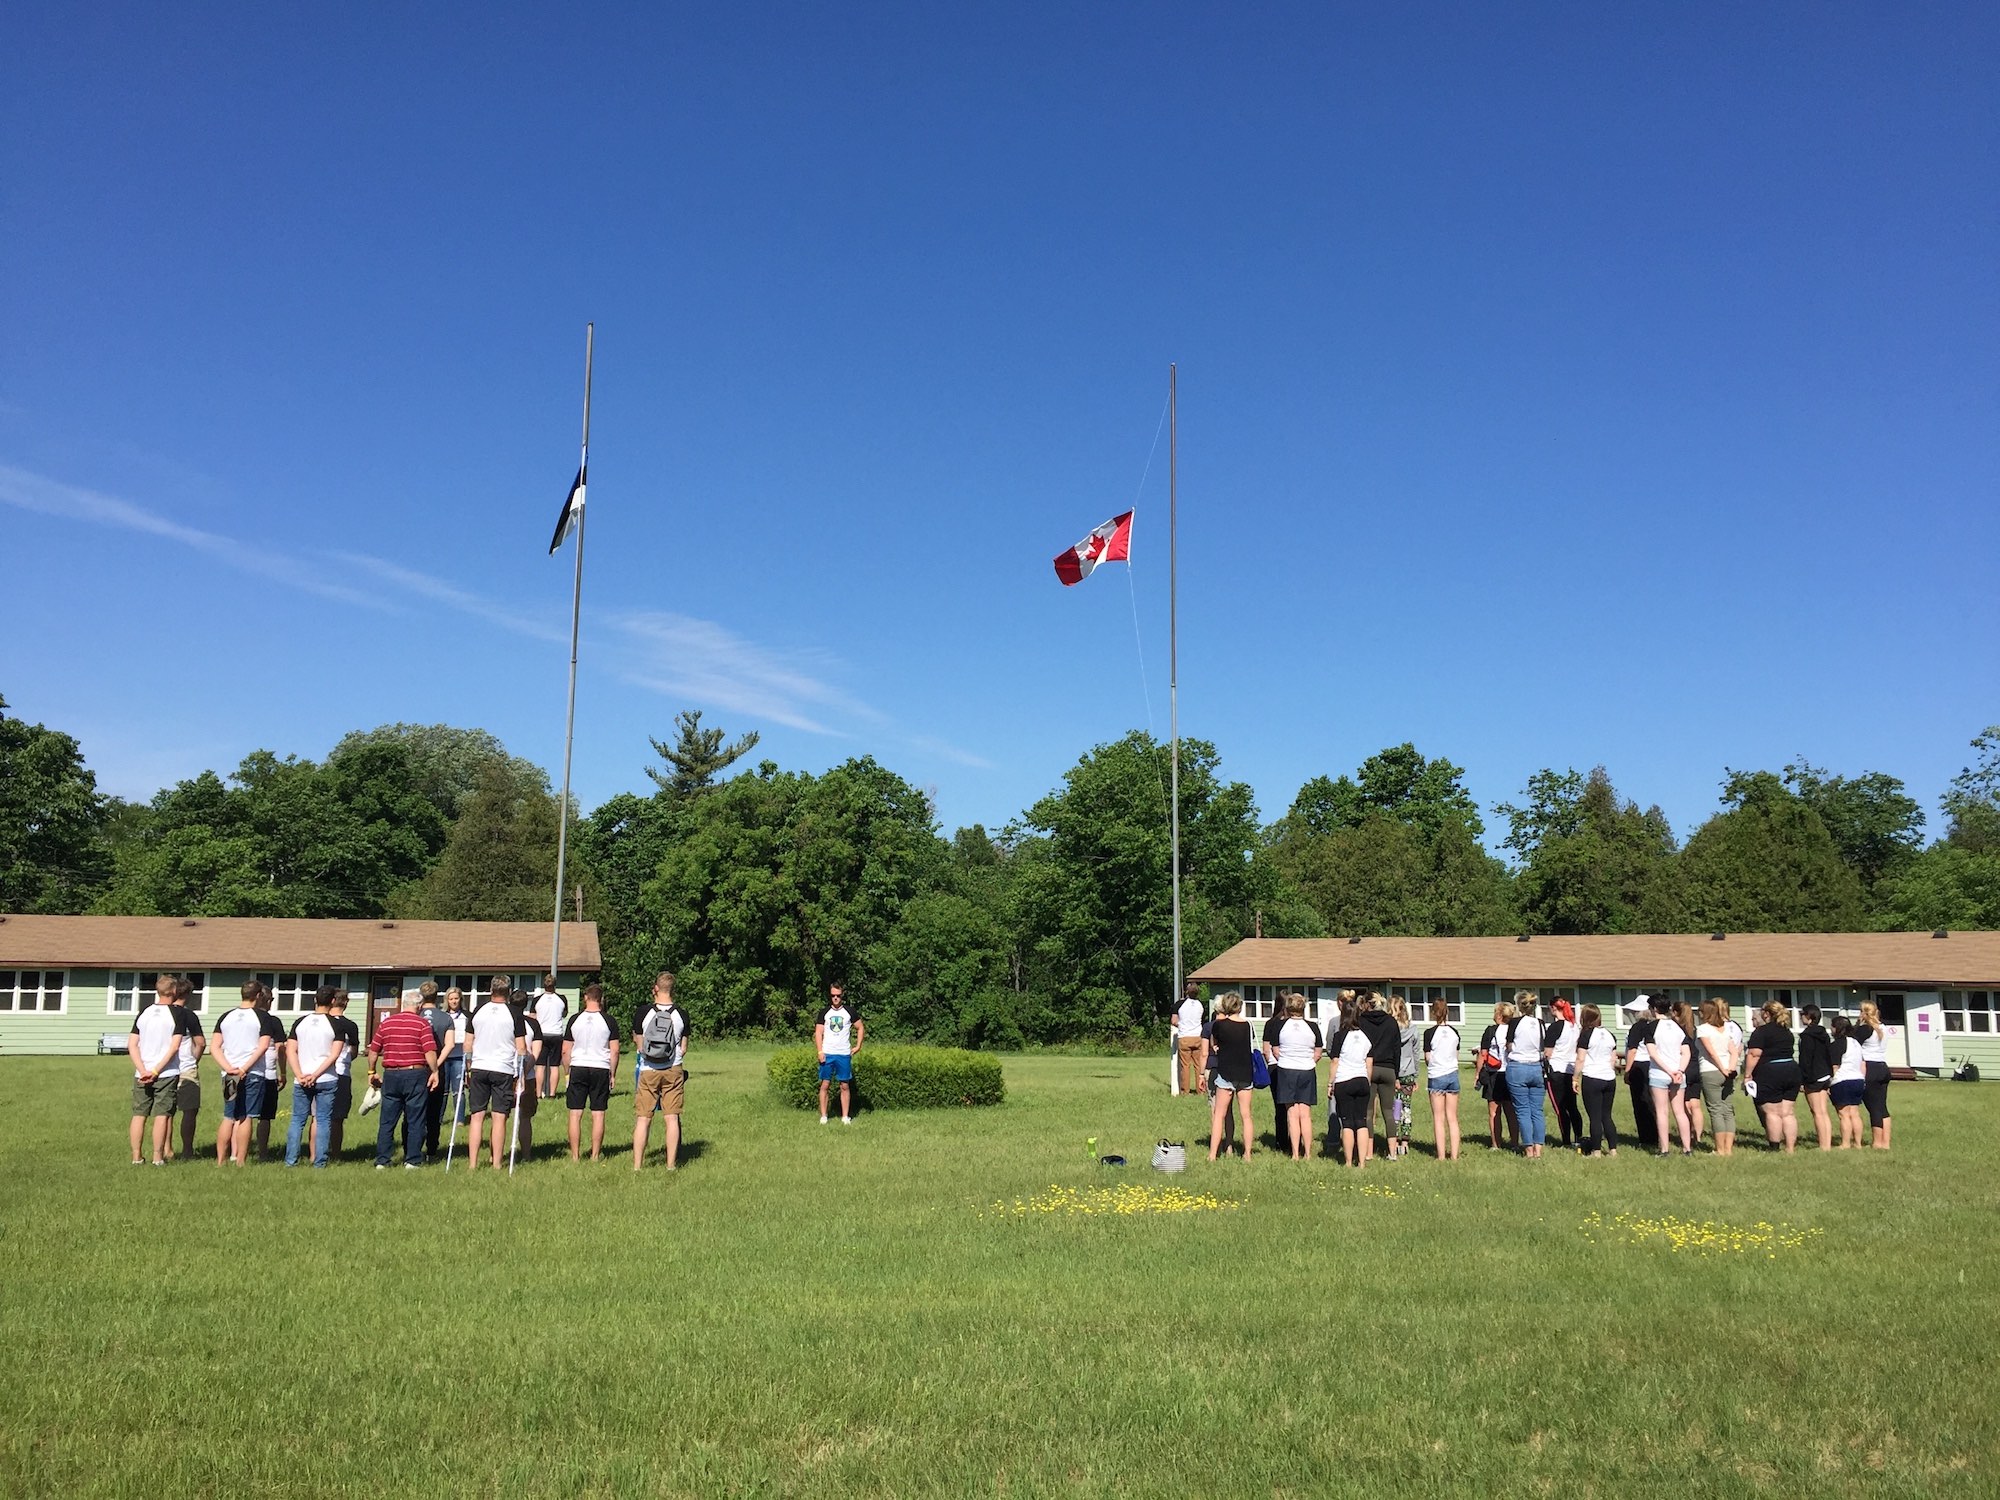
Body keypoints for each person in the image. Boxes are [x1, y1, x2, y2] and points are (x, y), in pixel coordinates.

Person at [368, 989, 441, 1169]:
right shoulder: (422, 1024)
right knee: (415, 1119)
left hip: (391, 1074)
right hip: (414, 1073)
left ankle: (382, 1160)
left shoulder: (387, 1023)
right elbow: (429, 1051)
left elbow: (374, 1050)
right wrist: (435, 1071)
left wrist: (371, 1071)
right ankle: (412, 1159)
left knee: (387, 1120)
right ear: (419, 1006)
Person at [462, 981, 527, 1171]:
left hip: (480, 1067)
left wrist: (468, 1067)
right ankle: (497, 1163)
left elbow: (467, 1044)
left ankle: (473, 1164)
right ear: (508, 991)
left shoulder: (478, 1010)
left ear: (491, 990)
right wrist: (520, 1073)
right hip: (503, 1069)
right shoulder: (514, 1013)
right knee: (499, 1117)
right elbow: (521, 1047)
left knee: (477, 1116)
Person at [127, 978, 191, 1165]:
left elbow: (132, 1044)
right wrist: (155, 1071)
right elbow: (174, 1046)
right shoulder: (178, 1013)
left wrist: (143, 1070)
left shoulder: (144, 1012)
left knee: (139, 1114)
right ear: (173, 991)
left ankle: (136, 1156)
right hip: (165, 1072)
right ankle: (157, 1156)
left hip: (142, 1073)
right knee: (162, 1115)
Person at [212, 981, 275, 1167]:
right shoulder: (263, 1017)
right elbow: (263, 1046)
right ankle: (240, 1160)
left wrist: (229, 1067)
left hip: (229, 1072)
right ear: (258, 996)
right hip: (252, 1072)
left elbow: (214, 1047)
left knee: (228, 1116)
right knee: (246, 1116)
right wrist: (244, 1068)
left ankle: (220, 1160)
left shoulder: (226, 1016)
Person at [633, 971, 689, 1169]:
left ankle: (638, 1166)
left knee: (643, 1118)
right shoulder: (681, 1014)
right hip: (673, 1069)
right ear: (672, 989)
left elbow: (639, 1045)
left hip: (648, 1069)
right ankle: (671, 1164)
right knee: (671, 1117)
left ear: (656, 988)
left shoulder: (643, 1012)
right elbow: (683, 1048)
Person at [283, 985, 343, 1168]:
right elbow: (334, 1055)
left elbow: (290, 1050)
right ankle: (320, 1161)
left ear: (315, 1000)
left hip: (301, 1078)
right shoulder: (336, 1024)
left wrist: (299, 1074)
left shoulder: (300, 1022)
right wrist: (316, 1074)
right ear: (333, 1001)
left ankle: (290, 1160)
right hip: (326, 1078)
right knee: (323, 1119)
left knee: (297, 1120)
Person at [562, 983, 621, 1162]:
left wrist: (567, 1072)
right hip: (600, 1067)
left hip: (578, 1066)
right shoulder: (609, 1021)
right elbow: (615, 1051)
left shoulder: (574, 1019)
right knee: (598, 1113)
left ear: (585, 998)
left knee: (575, 1113)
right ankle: (595, 1155)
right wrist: (612, 1073)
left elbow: (565, 1050)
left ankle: (575, 1155)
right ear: (601, 1000)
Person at [1269, 993, 1323, 1161]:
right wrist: (1308, 1061)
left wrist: (1287, 1059)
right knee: (1305, 1114)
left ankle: (1294, 1154)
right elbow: (1319, 1052)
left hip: (1286, 1070)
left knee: (1292, 1114)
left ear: (1288, 1007)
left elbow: (1275, 1050)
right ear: (1303, 1008)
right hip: (1307, 1070)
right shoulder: (1313, 1027)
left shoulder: (1279, 1026)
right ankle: (1307, 1153)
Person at [1743, 1000, 1801, 1153]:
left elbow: (1754, 1054)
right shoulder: (1786, 1031)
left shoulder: (1761, 1032)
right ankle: (1790, 1148)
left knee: (1772, 1111)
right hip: (1792, 1069)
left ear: (1767, 1014)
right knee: (1788, 1112)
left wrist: (1747, 1075)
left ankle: (1774, 1147)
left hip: (1771, 1071)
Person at [1205, 992, 1256, 1161]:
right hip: (1245, 1073)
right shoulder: (1247, 1025)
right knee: (1246, 1115)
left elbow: (1214, 1044)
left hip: (1226, 1072)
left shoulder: (1219, 1025)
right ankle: (1247, 1154)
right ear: (1240, 1006)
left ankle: (1213, 1154)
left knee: (1219, 1114)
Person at [1326, 997, 1372, 1168]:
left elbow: (1335, 1062)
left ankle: (1347, 1162)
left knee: (1347, 1122)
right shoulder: (1366, 1037)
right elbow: (1369, 1063)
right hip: (1362, 1080)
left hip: (1344, 1081)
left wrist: (1330, 1083)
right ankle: (1361, 1162)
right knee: (1361, 1121)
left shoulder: (1340, 1036)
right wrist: (1367, 1081)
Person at [1645, 994, 1693, 1156]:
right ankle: (1687, 1148)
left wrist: (1668, 1071)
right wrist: (1679, 1071)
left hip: (1660, 1073)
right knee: (1680, 1112)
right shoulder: (1677, 1027)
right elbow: (1686, 1053)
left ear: (1654, 1009)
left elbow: (1653, 1054)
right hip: (1679, 1074)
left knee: (1662, 1112)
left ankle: (1665, 1149)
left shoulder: (1651, 1027)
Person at [1504, 991, 1548, 1159]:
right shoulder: (1540, 1023)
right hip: (1537, 1067)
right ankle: (1538, 1149)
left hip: (1518, 1067)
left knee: (1522, 1110)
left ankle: (1528, 1149)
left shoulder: (1514, 1023)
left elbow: (1509, 1046)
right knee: (1537, 1110)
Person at [165, 976, 206, 1161]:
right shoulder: (189, 1015)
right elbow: (201, 1043)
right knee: (189, 1110)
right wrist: (194, 1060)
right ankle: (187, 1150)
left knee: (165, 1111)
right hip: (185, 1066)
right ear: (187, 994)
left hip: (163, 1067)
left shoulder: (161, 1013)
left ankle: (166, 1149)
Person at [1357, 992, 1401, 1156]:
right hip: (1388, 1068)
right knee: (1388, 1112)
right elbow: (1397, 1049)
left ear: (1367, 1004)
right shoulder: (1391, 1022)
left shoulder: (1361, 1021)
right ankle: (1392, 1152)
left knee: (1368, 1113)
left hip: (1369, 1068)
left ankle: (1368, 1153)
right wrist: (1396, 1073)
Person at [1694, 998, 1739, 1157]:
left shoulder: (1702, 1029)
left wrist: (1722, 1069)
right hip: (1728, 1070)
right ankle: (1729, 1149)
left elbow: (1711, 1052)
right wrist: (1731, 1069)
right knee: (1727, 1110)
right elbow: (1734, 1051)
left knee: (1715, 1110)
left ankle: (1720, 1150)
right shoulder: (1726, 1028)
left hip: (1710, 1071)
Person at [1576, 1004, 1621, 1157]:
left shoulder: (1586, 1035)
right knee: (1606, 1115)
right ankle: (1613, 1149)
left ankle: (1596, 1151)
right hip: (1609, 1078)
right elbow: (1613, 1059)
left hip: (1592, 1077)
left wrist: (1575, 1077)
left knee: (1594, 1117)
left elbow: (1581, 1059)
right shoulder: (1610, 1034)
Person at [815, 983, 863, 1125]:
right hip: (827, 1053)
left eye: (838, 995)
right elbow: (818, 1032)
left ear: (842, 995)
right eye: (833, 995)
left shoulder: (850, 1011)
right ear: (830, 996)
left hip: (843, 1054)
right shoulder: (824, 1012)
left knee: (844, 1085)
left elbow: (860, 1028)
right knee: (825, 1085)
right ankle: (824, 1116)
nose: (835, 998)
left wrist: (858, 1046)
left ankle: (845, 1117)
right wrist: (819, 1051)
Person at [251, 983, 287, 1162]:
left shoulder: (239, 1018)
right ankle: (262, 1152)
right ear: (266, 1000)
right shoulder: (273, 1021)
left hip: (240, 1071)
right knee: (264, 1116)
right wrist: (284, 1072)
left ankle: (235, 1152)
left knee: (239, 1115)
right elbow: (281, 1048)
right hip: (267, 1074)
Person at [323, 991, 361, 1159]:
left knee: (318, 1116)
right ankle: (336, 1154)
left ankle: (315, 1152)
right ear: (345, 1002)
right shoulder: (350, 1026)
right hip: (341, 1072)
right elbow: (353, 1052)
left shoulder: (321, 1022)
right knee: (337, 1117)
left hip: (319, 1072)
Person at [1542, 996, 1582, 1150]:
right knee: (1572, 1106)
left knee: (1560, 1108)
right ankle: (1578, 1137)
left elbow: (1548, 1052)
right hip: (1571, 1069)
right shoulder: (1574, 1026)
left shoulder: (1555, 1027)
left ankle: (1566, 1140)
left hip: (1556, 1069)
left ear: (1553, 1008)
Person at [1423, 998, 1461, 1161]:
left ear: (1433, 1013)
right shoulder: (1454, 1032)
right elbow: (1456, 1055)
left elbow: (1427, 1058)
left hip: (1436, 1075)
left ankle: (1440, 1156)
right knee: (1452, 1117)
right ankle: (1454, 1155)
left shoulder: (1429, 1033)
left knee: (1439, 1118)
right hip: (1452, 1074)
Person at [1477, 1001, 1517, 1151]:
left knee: (1494, 1112)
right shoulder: (1515, 1031)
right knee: (1511, 1111)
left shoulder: (1490, 1031)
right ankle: (1514, 1143)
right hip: (1511, 1072)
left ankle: (1495, 1144)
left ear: (1499, 1015)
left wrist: (1477, 1074)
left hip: (1494, 1073)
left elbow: (1483, 1054)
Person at [1621, 994, 1659, 1152]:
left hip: (1639, 1065)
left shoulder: (1638, 1027)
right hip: (1655, 1065)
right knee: (1655, 1103)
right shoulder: (1657, 1025)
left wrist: (1627, 1070)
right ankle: (1658, 1135)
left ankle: (1647, 1137)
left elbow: (1632, 1050)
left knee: (1641, 1103)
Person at [1386, 994, 1420, 1160]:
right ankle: (1404, 1142)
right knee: (1406, 1107)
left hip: (1393, 1072)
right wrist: (1416, 1075)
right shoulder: (1413, 1029)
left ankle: (1393, 1142)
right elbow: (1416, 1053)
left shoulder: (1389, 1029)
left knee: (1394, 1108)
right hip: (1409, 1073)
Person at [1797, 1004, 1835, 1151]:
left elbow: (1805, 1059)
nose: (1801, 1017)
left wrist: (1802, 1079)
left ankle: (1823, 1145)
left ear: (1809, 1017)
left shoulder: (1806, 1036)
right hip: (1825, 1074)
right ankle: (1827, 1144)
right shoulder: (1824, 1034)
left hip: (1812, 1076)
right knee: (1823, 1111)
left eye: (1802, 1015)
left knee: (1817, 1112)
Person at [1855, 1000, 1892, 1150]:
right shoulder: (1883, 1028)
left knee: (1873, 1107)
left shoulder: (1866, 1029)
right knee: (1882, 1107)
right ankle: (1886, 1142)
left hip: (1869, 1068)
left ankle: (1877, 1142)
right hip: (1883, 1067)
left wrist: (1858, 1023)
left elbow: (1851, 1040)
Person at [1672, 1000, 1706, 1146]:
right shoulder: (1696, 1030)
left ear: (1675, 1013)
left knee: (1683, 1106)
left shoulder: (1676, 1031)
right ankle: (1698, 1137)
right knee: (1696, 1105)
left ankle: (1687, 1135)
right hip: (1696, 1068)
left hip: (1684, 1068)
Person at [1829, 1016, 1866, 1148]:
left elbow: (1835, 1066)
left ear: (1837, 1028)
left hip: (1842, 1080)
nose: (1831, 1029)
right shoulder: (1856, 1043)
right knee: (1855, 1113)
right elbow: (1862, 1063)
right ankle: (1858, 1143)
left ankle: (1845, 1143)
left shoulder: (1837, 1044)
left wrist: (1830, 1082)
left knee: (1843, 1114)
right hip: (1858, 1079)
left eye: (1832, 1026)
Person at [533, 974, 568, 1099]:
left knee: (540, 1066)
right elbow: (564, 1014)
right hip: (556, 1034)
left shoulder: (537, 1000)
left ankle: (538, 1093)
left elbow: (533, 1016)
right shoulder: (562, 999)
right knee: (554, 1066)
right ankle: (552, 1093)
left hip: (542, 1034)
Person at [440, 986, 470, 1127]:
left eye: (456, 998)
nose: (453, 1001)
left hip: (459, 1057)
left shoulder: (467, 1016)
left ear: (461, 999)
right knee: (443, 1090)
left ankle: (459, 1119)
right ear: (447, 1000)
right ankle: (439, 1118)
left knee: (458, 1090)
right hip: (445, 1056)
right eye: (451, 999)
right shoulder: (442, 1015)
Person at [1173, 982, 1206, 1097]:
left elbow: (1173, 1021)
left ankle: (1185, 1091)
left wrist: (1181, 1025)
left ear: (1187, 992)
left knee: (1185, 1066)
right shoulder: (1200, 1005)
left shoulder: (1180, 1004)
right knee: (1198, 1065)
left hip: (1185, 1037)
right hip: (1197, 1036)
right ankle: (1200, 1090)